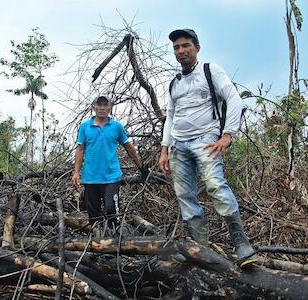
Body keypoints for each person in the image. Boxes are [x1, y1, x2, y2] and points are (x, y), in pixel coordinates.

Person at [159, 29, 258, 267]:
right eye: (176, 47)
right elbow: (170, 117)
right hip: (179, 146)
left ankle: (241, 244)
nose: (181, 51)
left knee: (215, 185)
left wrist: (227, 135)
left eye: (185, 46)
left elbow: (234, 99)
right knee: (185, 195)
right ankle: (200, 249)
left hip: (206, 140)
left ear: (197, 48)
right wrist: (164, 149)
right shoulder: (174, 83)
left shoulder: (210, 70)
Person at [72, 95, 146, 234]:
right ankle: (98, 245)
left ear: (110, 108)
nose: (102, 108)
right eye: (99, 105)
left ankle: (114, 243)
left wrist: (140, 166)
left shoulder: (116, 127)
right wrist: (76, 172)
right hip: (90, 177)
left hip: (111, 177)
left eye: (105, 105)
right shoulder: (85, 127)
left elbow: (128, 147)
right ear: (93, 107)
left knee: (111, 209)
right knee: (94, 216)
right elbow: (80, 149)